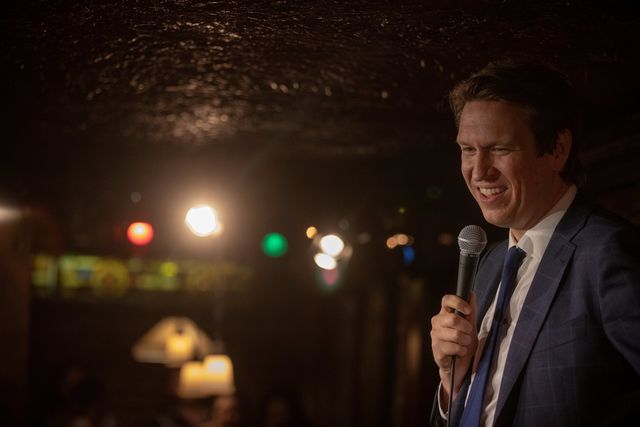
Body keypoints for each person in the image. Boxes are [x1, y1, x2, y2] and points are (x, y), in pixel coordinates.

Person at [429, 61, 640, 426]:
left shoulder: (608, 252)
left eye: (499, 148)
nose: (479, 171)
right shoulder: (491, 261)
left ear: (557, 149)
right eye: (467, 149)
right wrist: (452, 383)